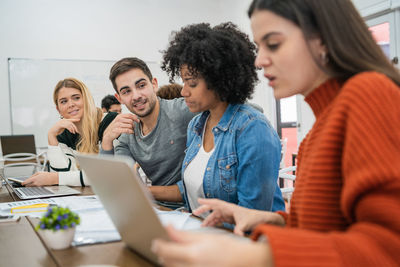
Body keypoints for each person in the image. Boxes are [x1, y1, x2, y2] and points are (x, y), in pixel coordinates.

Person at [151, 0, 400, 266]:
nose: (259, 60)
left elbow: (389, 248)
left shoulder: (368, 94)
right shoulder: (320, 129)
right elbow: (326, 229)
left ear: (323, 39)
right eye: (259, 47)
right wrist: (270, 219)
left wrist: (256, 255)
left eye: (274, 44)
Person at [149, 22, 284, 213]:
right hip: (202, 233)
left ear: (220, 81)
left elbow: (252, 216)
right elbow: (193, 187)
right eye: (184, 82)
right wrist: (144, 191)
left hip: (240, 239)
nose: (184, 91)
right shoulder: (196, 125)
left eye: (192, 83)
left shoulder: (253, 129)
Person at [100, 57, 196, 187]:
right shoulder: (128, 133)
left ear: (154, 84)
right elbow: (113, 184)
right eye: (126, 91)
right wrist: (106, 140)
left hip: (191, 204)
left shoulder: (181, 110)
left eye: (141, 86)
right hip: (156, 204)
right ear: (119, 98)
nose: (136, 96)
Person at [23, 78, 116, 186]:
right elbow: (64, 174)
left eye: (76, 98)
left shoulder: (110, 122)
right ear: (58, 109)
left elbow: (107, 175)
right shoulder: (63, 136)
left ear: (86, 99)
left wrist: (56, 178)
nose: (70, 104)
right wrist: (51, 136)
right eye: (64, 101)